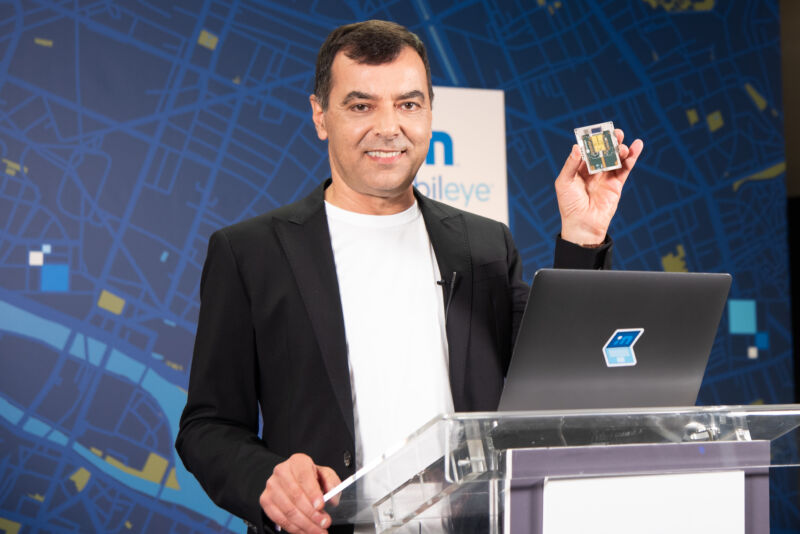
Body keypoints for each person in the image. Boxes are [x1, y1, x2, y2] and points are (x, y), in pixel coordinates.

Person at [175, 20, 643, 534]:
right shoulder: (251, 252)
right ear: (319, 116)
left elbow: (562, 381)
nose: (388, 127)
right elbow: (208, 425)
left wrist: (582, 236)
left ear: (429, 114)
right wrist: (268, 478)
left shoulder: (484, 245)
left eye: (408, 104)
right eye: (361, 105)